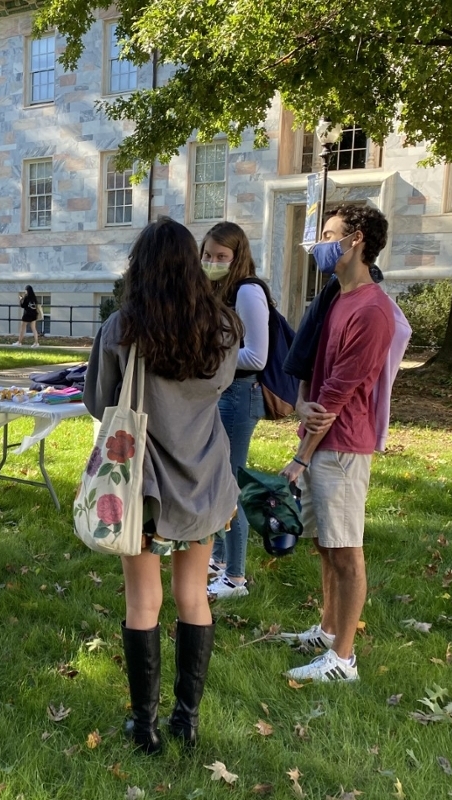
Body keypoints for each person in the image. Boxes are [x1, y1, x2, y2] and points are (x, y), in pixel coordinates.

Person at [84, 218, 242, 754]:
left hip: (142, 487)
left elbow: (99, 405)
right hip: (203, 480)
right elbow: (219, 388)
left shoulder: (121, 328)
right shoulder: (223, 327)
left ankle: (145, 726)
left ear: (140, 267)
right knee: (193, 596)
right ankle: (187, 720)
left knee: (142, 602)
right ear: (193, 264)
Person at [279, 205, 396, 683]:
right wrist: (300, 404)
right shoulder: (336, 297)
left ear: (356, 241)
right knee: (326, 546)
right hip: (323, 438)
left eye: (329, 235)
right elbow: (313, 371)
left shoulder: (372, 310)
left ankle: (343, 660)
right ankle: (327, 632)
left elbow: (338, 395)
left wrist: (299, 457)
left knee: (346, 552)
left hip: (343, 446)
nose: (320, 245)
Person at [201, 222, 268, 601]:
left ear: (237, 257)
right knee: (218, 475)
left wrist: (210, 359)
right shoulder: (217, 290)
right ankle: (220, 558)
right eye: (208, 255)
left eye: (221, 257)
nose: (212, 262)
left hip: (241, 394)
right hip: (223, 392)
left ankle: (236, 578)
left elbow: (258, 355)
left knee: (231, 484)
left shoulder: (247, 291)